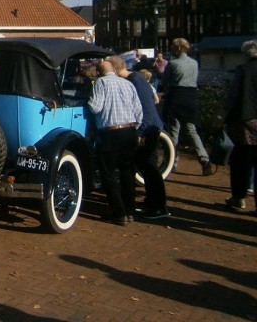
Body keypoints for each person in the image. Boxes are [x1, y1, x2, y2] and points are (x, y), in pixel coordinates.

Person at [110, 56, 170, 219]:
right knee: (145, 166)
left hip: (148, 130)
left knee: (148, 167)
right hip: (149, 128)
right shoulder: (135, 79)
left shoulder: (135, 81)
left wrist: (140, 133)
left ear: (114, 70)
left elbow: (147, 110)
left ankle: (159, 205)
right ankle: (152, 201)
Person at [88, 58, 143, 226]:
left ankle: (118, 212)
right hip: (129, 130)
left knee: (109, 174)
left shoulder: (100, 83)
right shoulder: (127, 84)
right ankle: (130, 210)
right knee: (127, 171)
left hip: (111, 133)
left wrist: (87, 100)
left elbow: (95, 107)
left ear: (98, 72)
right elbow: (138, 111)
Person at [161, 38, 214, 175]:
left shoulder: (173, 64)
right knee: (192, 130)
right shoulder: (194, 63)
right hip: (190, 97)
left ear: (178, 48)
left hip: (176, 96)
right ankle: (204, 159)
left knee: (174, 131)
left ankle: (172, 161)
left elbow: (164, 81)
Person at [219, 39, 257, 213]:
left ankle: (239, 197)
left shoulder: (243, 70)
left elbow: (233, 98)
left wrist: (220, 118)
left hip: (245, 121)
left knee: (241, 160)